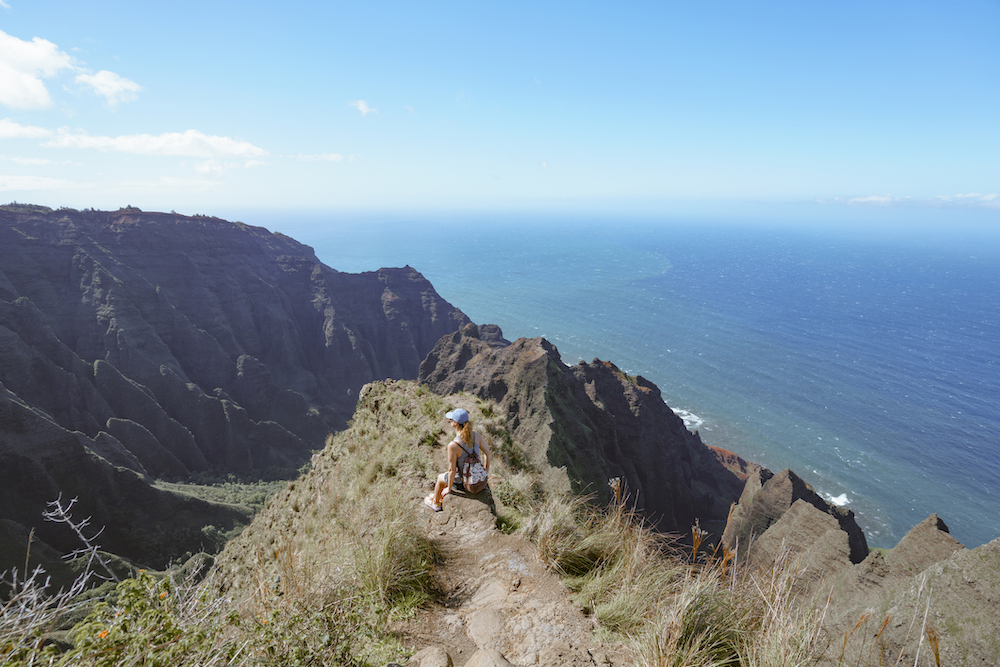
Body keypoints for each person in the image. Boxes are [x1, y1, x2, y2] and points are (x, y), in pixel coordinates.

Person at [424, 408, 490, 511]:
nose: (450, 421)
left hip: (463, 483)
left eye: (451, 420)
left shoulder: (453, 445)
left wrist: (449, 488)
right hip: (478, 478)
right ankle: (437, 497)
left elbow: (452, 470)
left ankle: (436, 503)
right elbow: (488, 453)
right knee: (446, 476)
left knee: (440, 477)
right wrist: (486, 472)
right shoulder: (476, 435)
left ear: (455, 423)